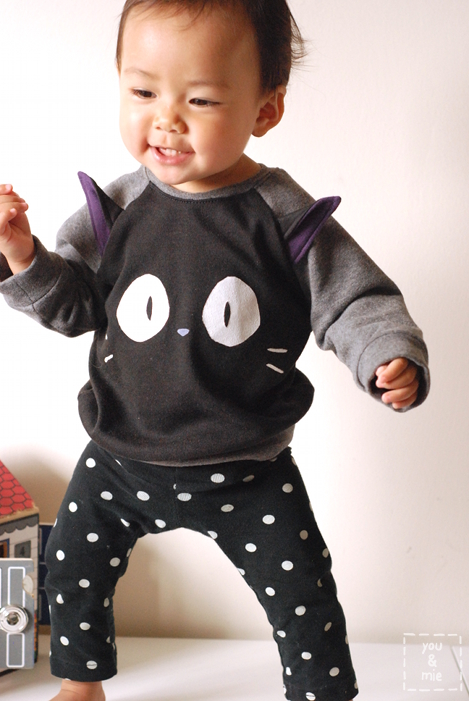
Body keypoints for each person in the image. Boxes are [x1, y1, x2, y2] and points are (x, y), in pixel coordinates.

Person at [0, 1, 429, 699]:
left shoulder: (284, 216)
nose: (166, 119)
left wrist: (384, 352)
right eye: (143, 91)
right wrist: (22, 255)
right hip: (119, 456)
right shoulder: (117, 208)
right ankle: (81, 683)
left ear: (266, 109)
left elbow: (354, 300)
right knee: (71, 565)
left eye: (199, 99)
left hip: (247, 468)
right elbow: (73, 305)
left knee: (303, 593)